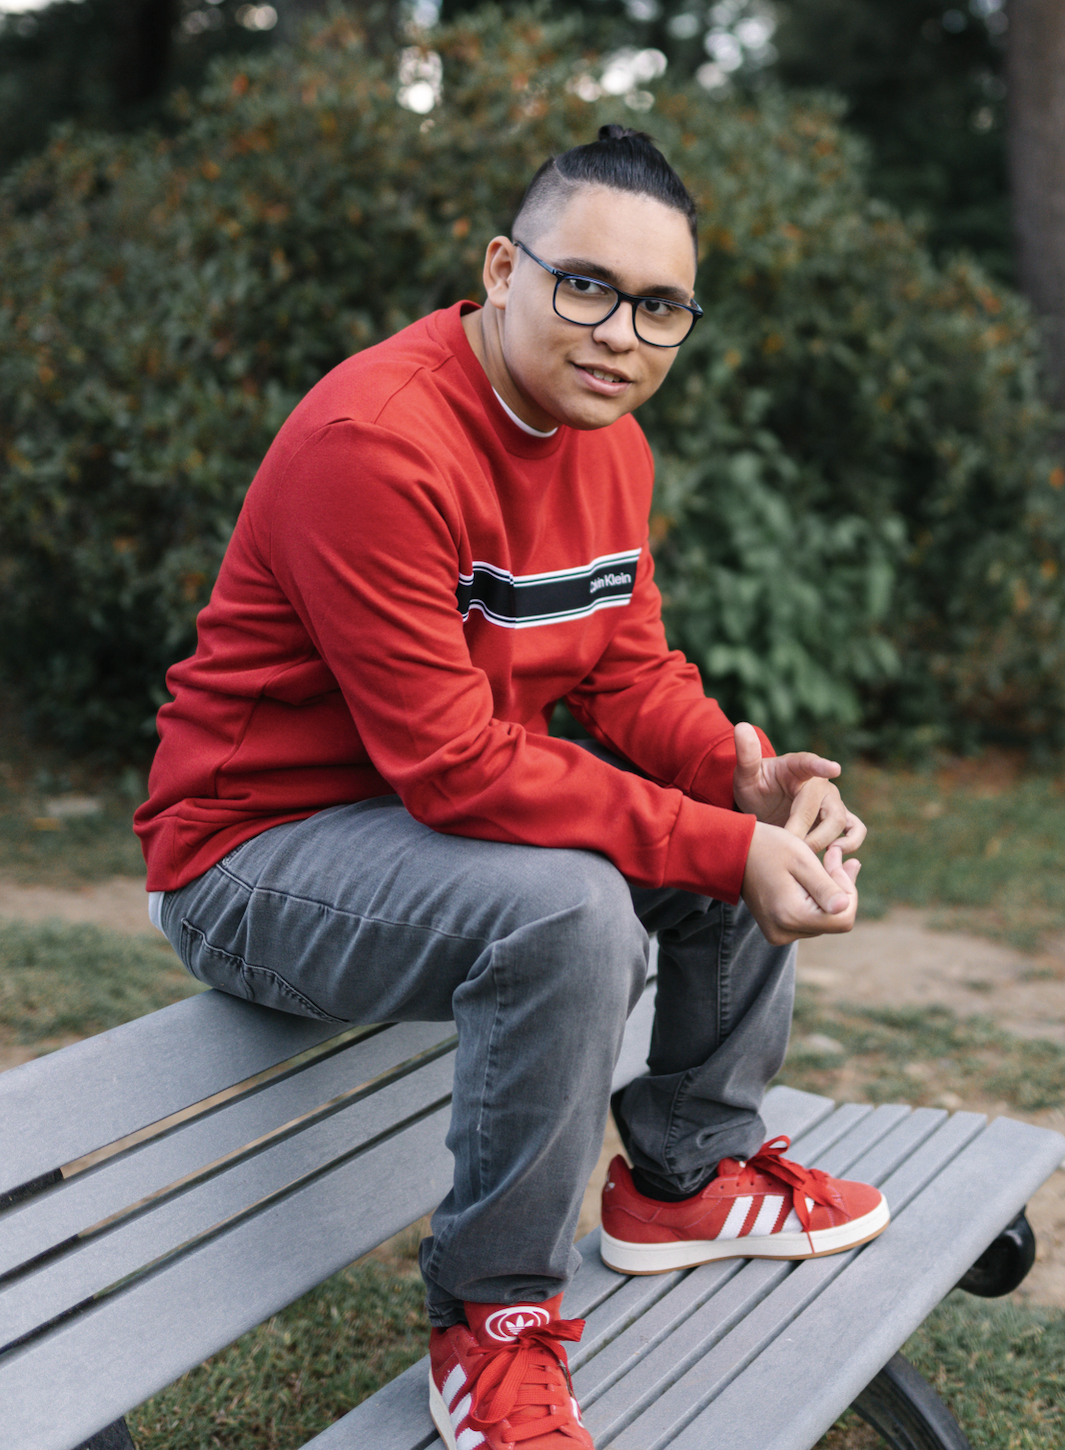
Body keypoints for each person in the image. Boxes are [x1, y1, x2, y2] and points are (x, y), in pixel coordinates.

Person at [135, 125, 887, 1450]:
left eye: (660, 307)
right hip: (251, 854)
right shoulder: (377, 442)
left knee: (712, 834)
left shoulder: (608, 444)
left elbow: (626, 678)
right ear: (503, 269)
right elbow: (455, 765)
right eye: (584, 285)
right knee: (573, 909)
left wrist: (743, 776)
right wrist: (719, 844)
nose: (619, 333)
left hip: (419, 829)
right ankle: (491, 1325)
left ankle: (686, 1173)